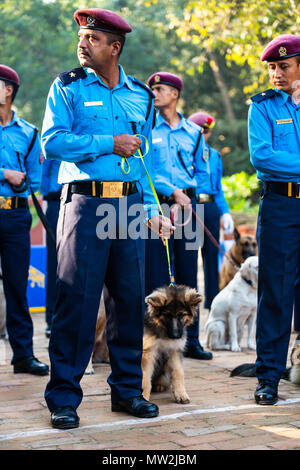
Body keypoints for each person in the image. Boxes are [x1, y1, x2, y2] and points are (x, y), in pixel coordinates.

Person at [41, 8, 174, 430]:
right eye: (82, 36)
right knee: (76, 303)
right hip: (85, 204)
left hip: (131, 207)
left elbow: (144, 159)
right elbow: (53, 141)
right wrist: (107, 142)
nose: (83, 43)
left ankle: (127, 392)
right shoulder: (67, 87)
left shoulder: (139, 94)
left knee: (129, 302)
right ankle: (64, 397)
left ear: (114, 47)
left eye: (93, 38)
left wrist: (153, 210)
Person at [145, 71, 213, 360]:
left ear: (175, 94)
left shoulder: (194, 132)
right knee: (158, 276)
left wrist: (191, 197)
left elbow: (202, 172)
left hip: (188, 208)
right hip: (156, 208)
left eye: (160, 89)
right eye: (153, 89)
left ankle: (192, 340)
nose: (155, 93)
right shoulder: (146, 129)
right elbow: (145, 169)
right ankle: (156, 339)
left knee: (188, 276)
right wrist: (172, 191)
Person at [248, 34, 300, 405]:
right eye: (272, 68)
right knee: (276, 293)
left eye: (284, 66)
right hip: (281, 207)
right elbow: (262, 157)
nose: (276, 74)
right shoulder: (262, 108)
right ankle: (268, 376)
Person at [0, 64, 48, 376]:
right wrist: (4, 173)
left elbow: (37, 179)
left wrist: (23, 181)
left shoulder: (30, 133)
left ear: (8, 90)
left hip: (16, 216)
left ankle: (23, 356)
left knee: (18, 287)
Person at [188, 112, 234, 309]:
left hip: (211, 207)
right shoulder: (185, 151)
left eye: (207, 131)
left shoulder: (214, 155)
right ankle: (189, 301)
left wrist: (225, 211)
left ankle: (213, 302)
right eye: (200, 130)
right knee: (188, 258)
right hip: (190, 206)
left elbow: (218, 187)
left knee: (211, 255)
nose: (203, 134)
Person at [41, 159, 61, 338]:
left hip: (85, 199)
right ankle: (52, 319)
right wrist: (53, 192)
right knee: (55, 265)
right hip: (56, 203)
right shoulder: (57, 132)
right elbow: (43, 173)